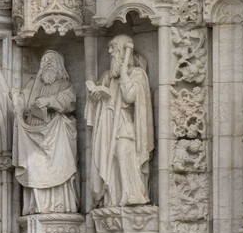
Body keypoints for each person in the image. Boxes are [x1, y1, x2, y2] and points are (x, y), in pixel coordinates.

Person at [86, 35, 154, 206]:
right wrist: (95, 99)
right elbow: (94, 110)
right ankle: (115, 197)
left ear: (124, 52)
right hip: (108, 127)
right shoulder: (108, 77)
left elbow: (129, 96)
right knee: (115, 156)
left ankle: (134, 194)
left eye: (114, 49)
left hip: (126, 124)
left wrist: (124, 73)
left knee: (123, 152)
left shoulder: (137, 74)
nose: (109, 52)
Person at [13, 50, 79, 214]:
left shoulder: (65, 85)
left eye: (52, 60)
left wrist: (49, 101)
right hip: (34, 132)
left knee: (59, 164)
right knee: (35, 167)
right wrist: (16, 99)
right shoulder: (33, 84)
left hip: (56, 132)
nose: (48, 63)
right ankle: (37, 205)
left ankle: (60, 204)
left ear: (59, 66)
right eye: (45, 60)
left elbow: (70, 101)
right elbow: (22, 100)